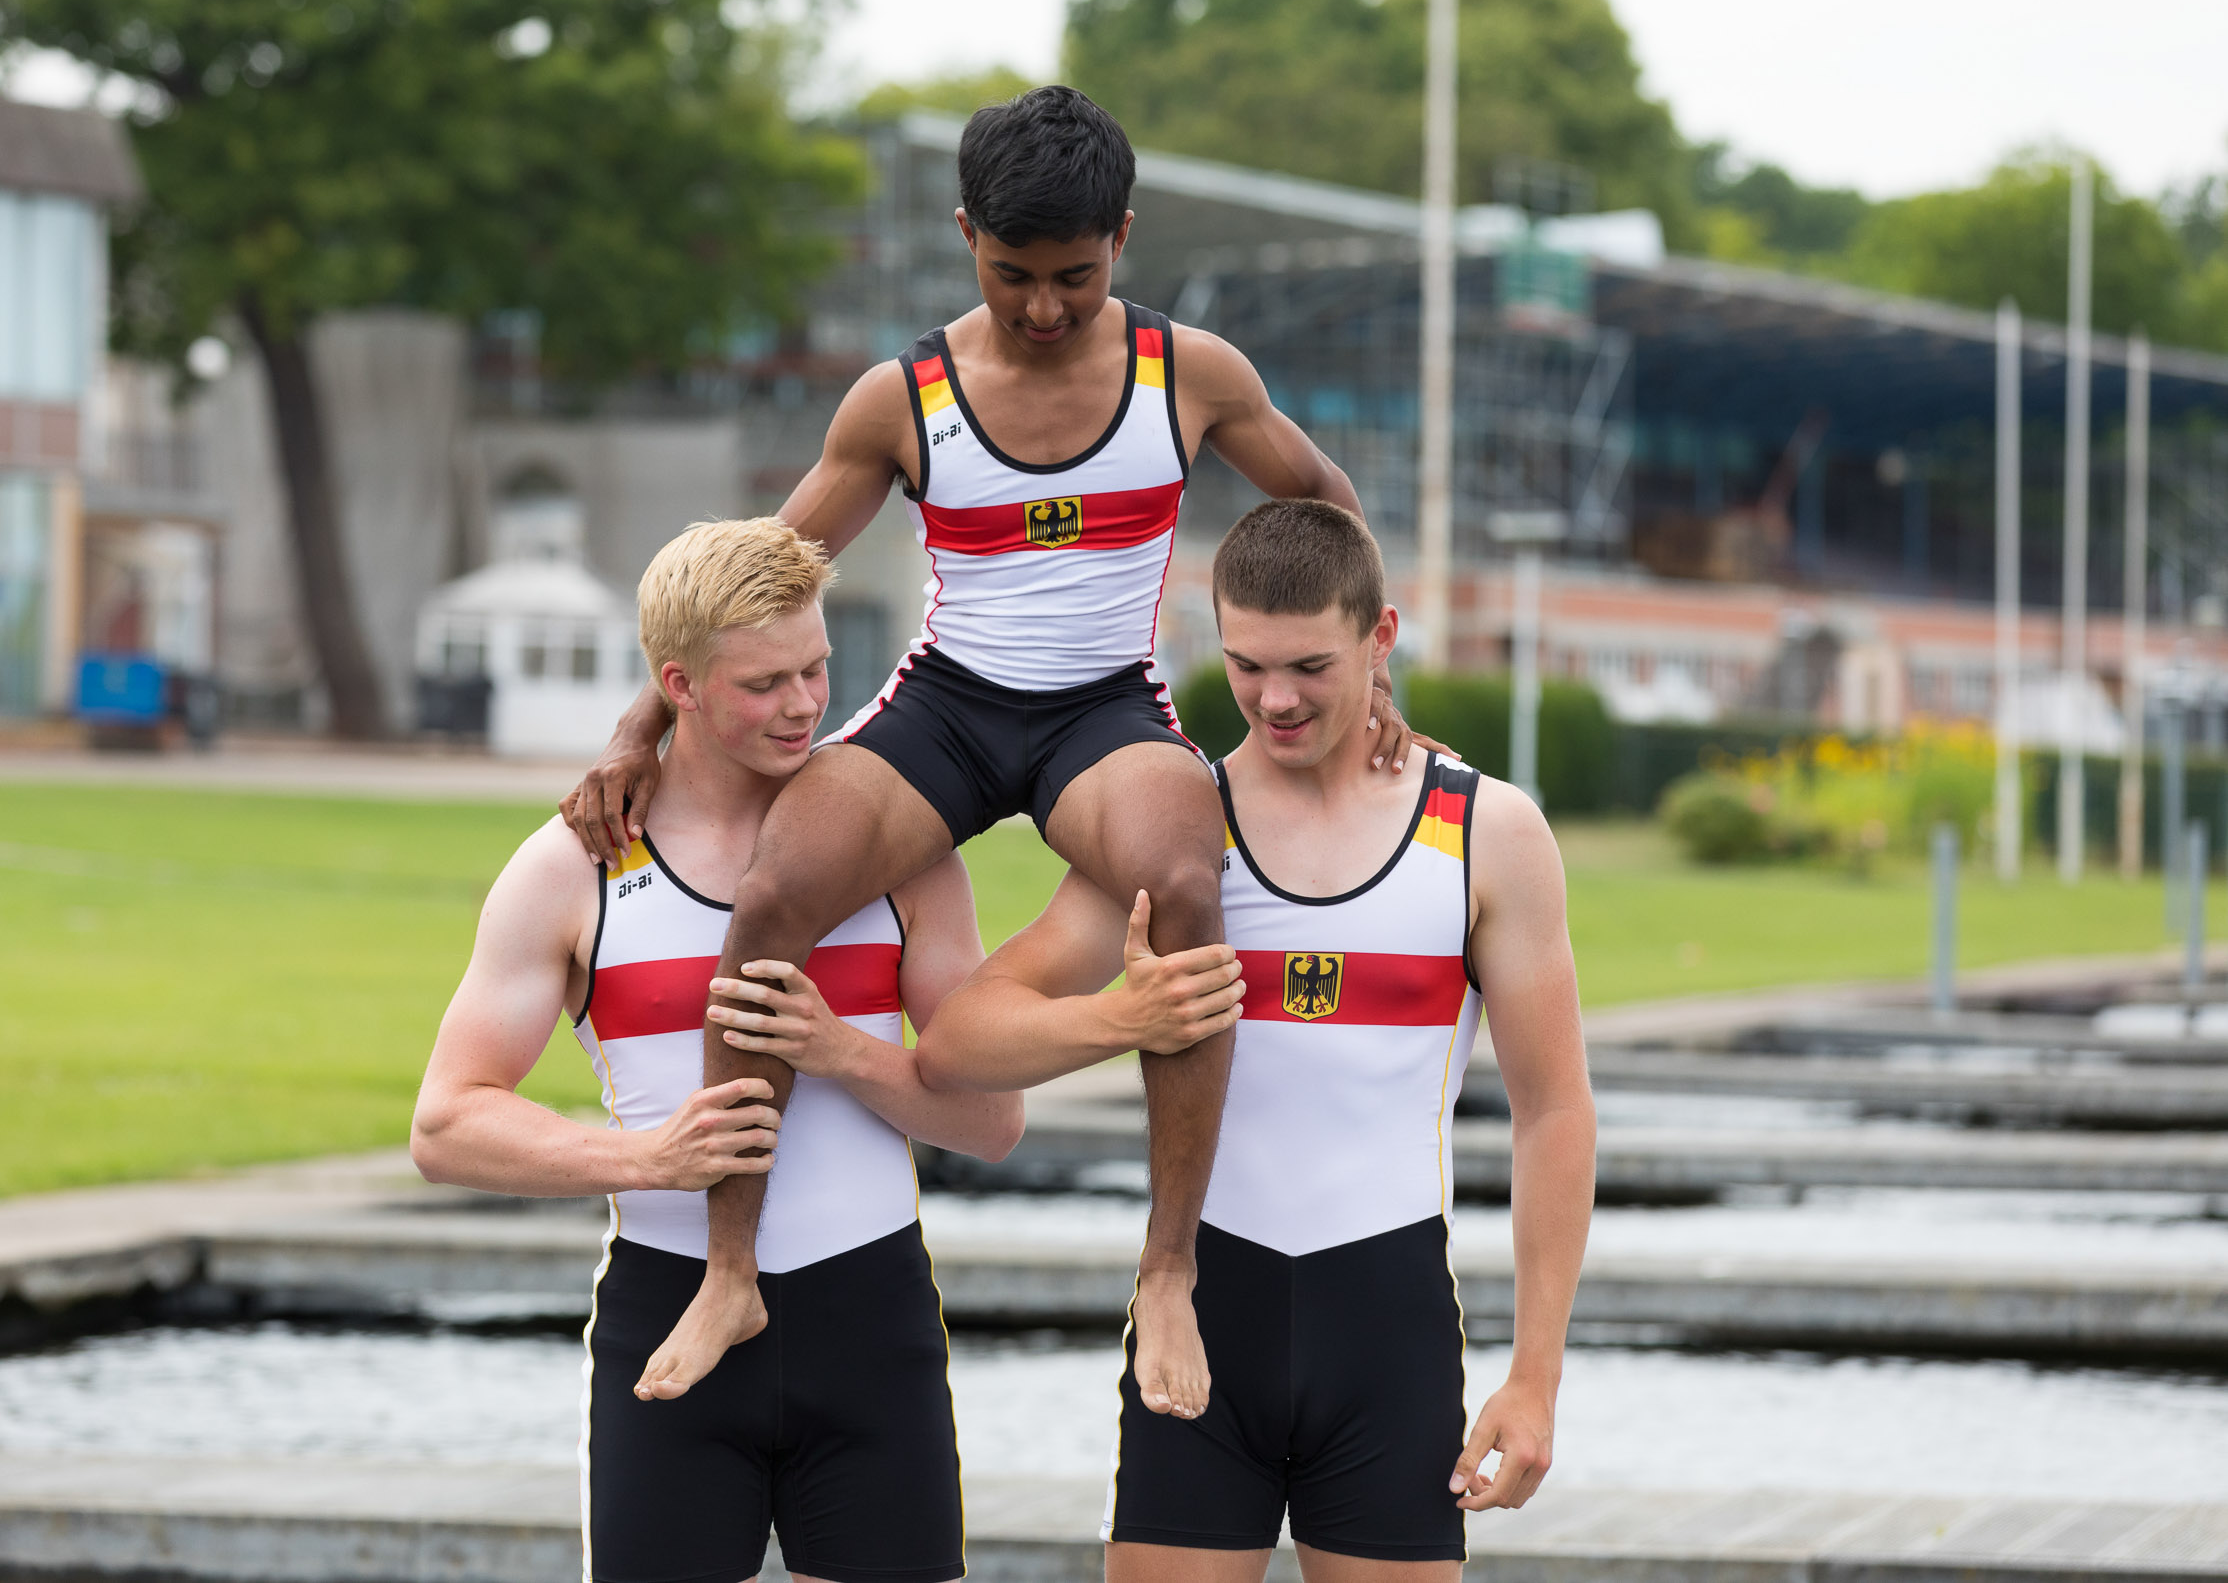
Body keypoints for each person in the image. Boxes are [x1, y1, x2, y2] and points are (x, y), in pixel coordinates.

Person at [560, 85, 1426, 1419]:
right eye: (1011, 273)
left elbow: (1327, 505)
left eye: (1074, 278)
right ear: (968, 235)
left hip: (1102, 714)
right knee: (778, 890)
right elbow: (752, 583)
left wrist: (1361, 674)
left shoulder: (1187, 375)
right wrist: (639, 723)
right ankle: (730, 1265)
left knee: (1187, 885)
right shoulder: (903, 398)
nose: (1040, 308)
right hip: (951, 708)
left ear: (1122, 239)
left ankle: (1169, 1266)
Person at [916, 499, 1596, 1581]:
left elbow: (1552, 1109)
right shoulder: (1175, 826)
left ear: (1380, 638)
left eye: (1309, 666)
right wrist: (1119, 1019)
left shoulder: (1486, 833)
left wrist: (1537, 1374)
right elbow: (955, 1041)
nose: (1274, 698)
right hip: (1200, 1320)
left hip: (1387, 1333)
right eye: (1245, 664)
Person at [414, 518, 1020, 1583]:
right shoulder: (576, 867)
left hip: (868, 1321)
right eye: (763, 683)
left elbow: (992, 1119)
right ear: (677, 687)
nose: (802, 704)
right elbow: (446, 1123)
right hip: (668, 1314)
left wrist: (842, 1052)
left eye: (817, 667)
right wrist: (643, 1156)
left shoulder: (899, 848)